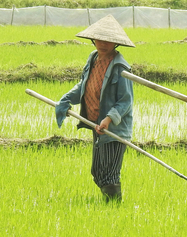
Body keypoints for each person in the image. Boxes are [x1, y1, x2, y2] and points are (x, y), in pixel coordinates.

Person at [54, 15, 135, 203]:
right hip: (95, 124)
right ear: (93, 39)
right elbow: (85, 85)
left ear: (115, 43)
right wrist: (66, 99)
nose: (103, 44)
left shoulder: (121, 68)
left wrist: (108, 119)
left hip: (113, 129)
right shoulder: (93, 58)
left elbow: (125, 101)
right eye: (99, 39)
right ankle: (109, 205)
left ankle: (114, 209)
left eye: (108, 40)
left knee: (110, 173)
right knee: (97, 172)